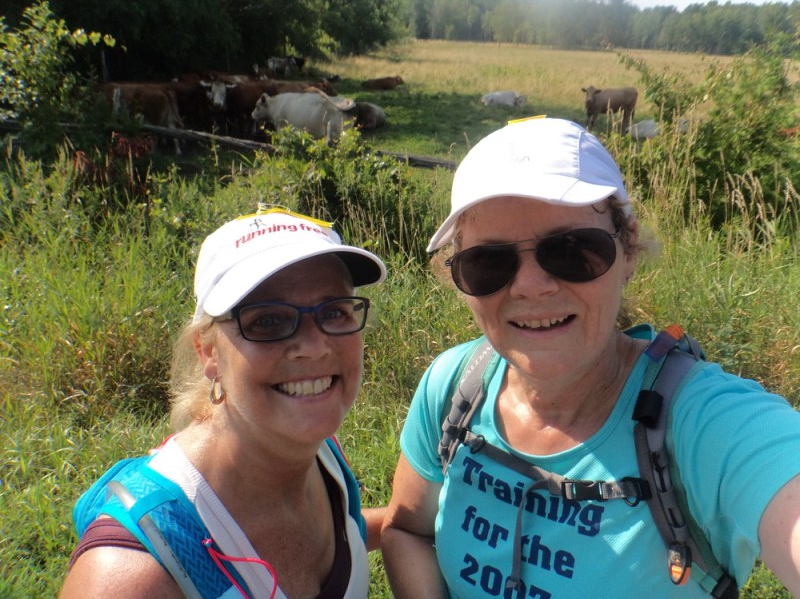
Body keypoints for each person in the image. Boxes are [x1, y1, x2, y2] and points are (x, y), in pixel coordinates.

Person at [381, 117, 800, 597]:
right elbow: (409, 530)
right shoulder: (456, 383)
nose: (530, 286)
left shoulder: (706, 423)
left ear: (628, 251)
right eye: (488, 262)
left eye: (572, 250)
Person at [61, 207, 387, 599]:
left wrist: (418, 521)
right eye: (268, 320)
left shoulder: (324, 458)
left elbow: (347, 533)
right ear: (208, 352)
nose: (314, 347)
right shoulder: (134, 575)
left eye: (333, 311)